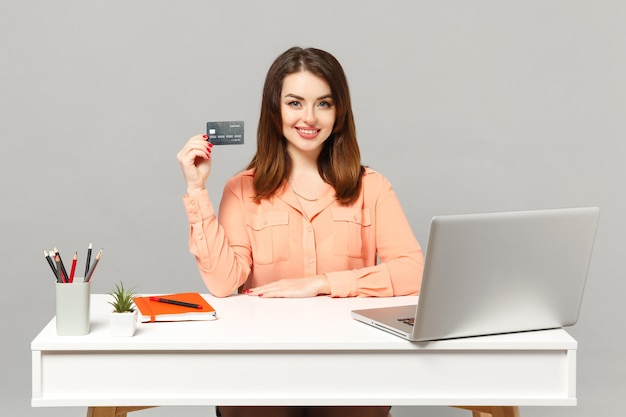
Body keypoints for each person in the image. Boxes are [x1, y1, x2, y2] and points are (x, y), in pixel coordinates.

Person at [177, 47, 424, 417]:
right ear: (275, 110)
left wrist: (323, 283)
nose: (309, 118)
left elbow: (415, 271)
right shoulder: (240, 189)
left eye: (323, 104)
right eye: (295, 103)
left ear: (339, 113)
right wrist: (197, 191)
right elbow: (224, 282)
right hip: (260, 361)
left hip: (351, 361)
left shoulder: (372, 187)